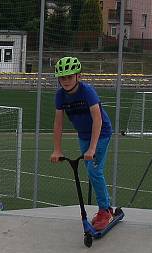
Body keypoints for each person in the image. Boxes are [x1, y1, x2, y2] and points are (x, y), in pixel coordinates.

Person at [50, 56, 123, 231]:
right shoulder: (60, 96)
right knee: (92, 171)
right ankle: (106, 207)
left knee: (94, 170)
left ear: (78, 76)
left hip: (101, 132)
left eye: (69, 76)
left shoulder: (87, 91)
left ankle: (105, 210)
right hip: (83, 135)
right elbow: (58, 123)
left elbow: (97, 119)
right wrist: (57, 149)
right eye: (62, 78)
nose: (66, 81)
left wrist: (92, 147)